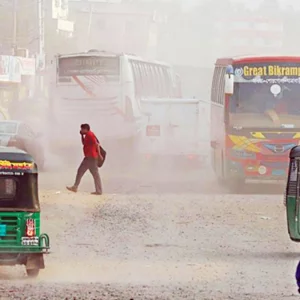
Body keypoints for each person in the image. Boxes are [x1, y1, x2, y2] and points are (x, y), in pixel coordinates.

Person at [67, 123, 103, 195]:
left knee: (82, 171)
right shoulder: (87, 135)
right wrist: (82, 136)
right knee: (93, 174)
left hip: (91, 157)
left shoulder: (90, 135)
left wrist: (99, 155)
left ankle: (75, 187)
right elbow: (84, 143)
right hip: (89, 157)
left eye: (82, 129)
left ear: (86, 129)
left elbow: (97, 144)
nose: (81, 130)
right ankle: (98, 191)